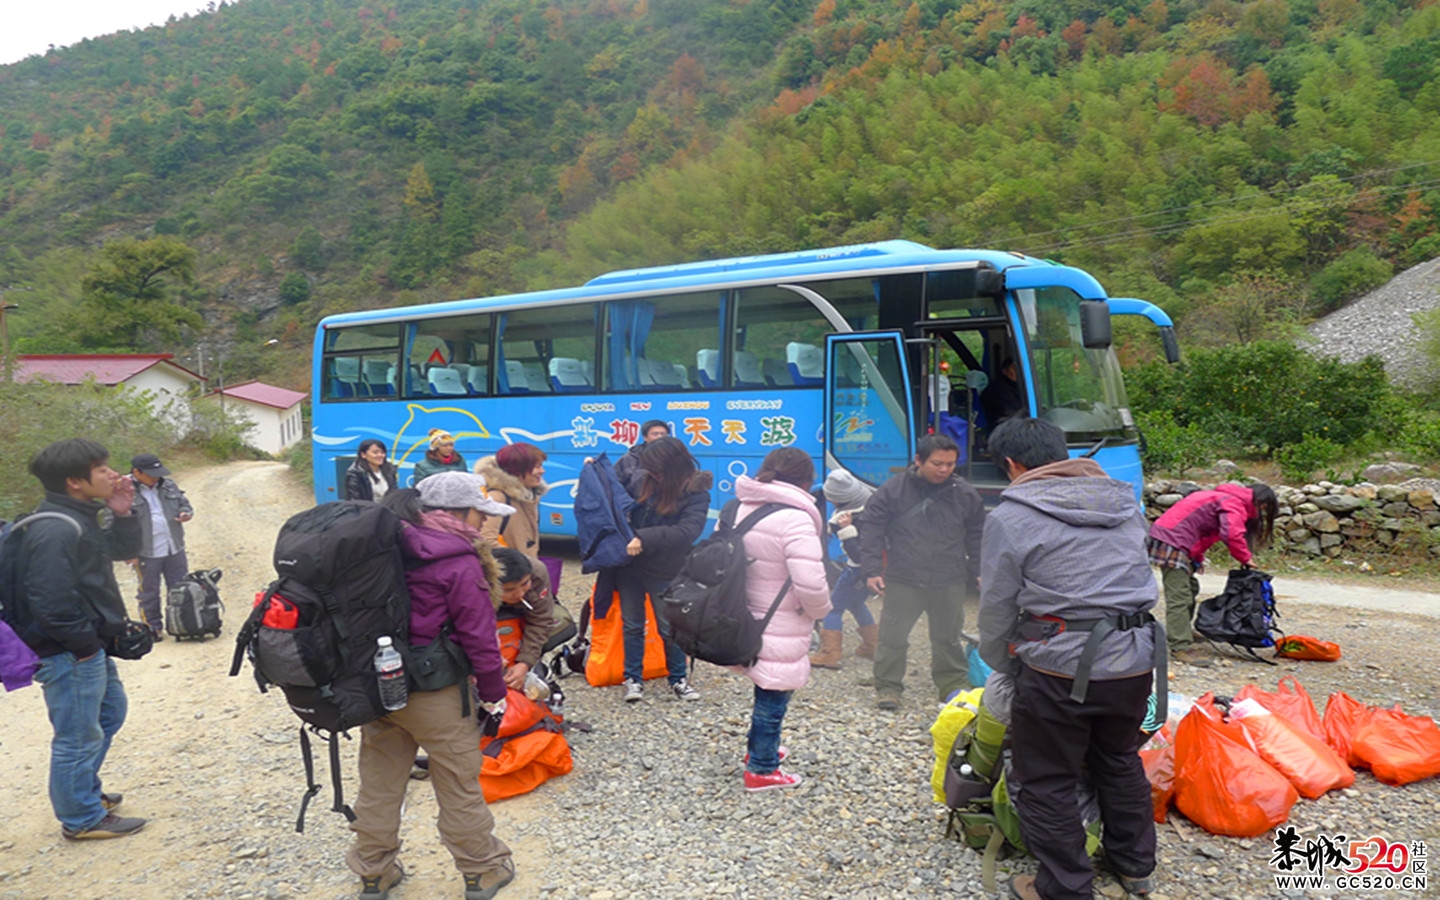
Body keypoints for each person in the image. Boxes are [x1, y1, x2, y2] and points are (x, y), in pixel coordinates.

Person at [977, 416, 1159, 900]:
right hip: (1138, 656)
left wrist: (998, 658)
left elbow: (997, 601)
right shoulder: (1124, 503)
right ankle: (1135, 866)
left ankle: (1063, 887)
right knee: (1118, 758)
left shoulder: (1011, 516)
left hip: (1059, 664)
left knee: (1047, 777)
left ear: (1012, 465)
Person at [347, 473, 517, 900]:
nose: (486, 522)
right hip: (436, 693)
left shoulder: (384, 547)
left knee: (380, 783)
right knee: (457, 781)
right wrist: (495, 693)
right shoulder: (458, 559)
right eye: (482, 512)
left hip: (380, 686)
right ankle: (482, 869)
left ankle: (374, 873)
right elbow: (479, 636)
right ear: (457, 512)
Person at [8, 438, 146, 840]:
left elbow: (120, 552)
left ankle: (82, 793)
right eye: (100, 469)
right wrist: (85, 648)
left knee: (109, 713)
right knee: (77, 734)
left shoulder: (76, 517)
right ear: (75, 481)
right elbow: (49, 600)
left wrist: (122, 514)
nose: (111, 473)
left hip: (84, 645)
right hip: (68, 651)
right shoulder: (54, 529)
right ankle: (81, 817)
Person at [857, 433, 985, 709]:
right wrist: (872, 570)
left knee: (948, 638)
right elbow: (871, 530)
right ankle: (888, 688)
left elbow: (977, 535)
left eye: (951, 464)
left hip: (949, 577)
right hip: (904, 577)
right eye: (937, 463)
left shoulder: (964, 493)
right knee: (893, 636)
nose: (944, 470)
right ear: (918, 460)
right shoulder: (893, 490)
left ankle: (952, 684)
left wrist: (979, 570)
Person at [732, 448, 832, 791]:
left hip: (742, 613)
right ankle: (761, 768)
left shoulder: (738, 507)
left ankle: (760, 748)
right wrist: (820, 612)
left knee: (766, 684)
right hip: (781, 617)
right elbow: (811, 583)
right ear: (806, 481)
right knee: (774, 692)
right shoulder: (796, 518)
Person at [614, 435, 710, 703]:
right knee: (632, 625)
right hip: (630, 568)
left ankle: (678, 678)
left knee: (669, 628)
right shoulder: (646, 481)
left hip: (666, 569)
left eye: (655, 469)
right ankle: (633, 678)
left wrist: (642, 537)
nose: (650, 474)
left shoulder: (696, 492)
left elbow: (687, 531)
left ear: (671, 467)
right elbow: (616, 493)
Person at [1147, 481, 1277, 667]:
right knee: (1179, 595)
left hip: (1174, 538)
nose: (1260, 514)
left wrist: (1197, 557)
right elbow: (1231, 534)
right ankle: (1180, 646)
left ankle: (1182, 631)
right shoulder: (1235, 503)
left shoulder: (1223, 497)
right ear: (1262, 503)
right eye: (1264, 509)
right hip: (1173, 540)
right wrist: (1245, 558)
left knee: (1190, 587)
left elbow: (1199, 528)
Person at [808, 468, 878, 668]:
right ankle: (873, 646)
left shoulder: (848, 520)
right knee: (857, 604)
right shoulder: (870, 508)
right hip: (871, 571)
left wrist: (845, 530)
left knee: (833, 609)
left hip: (856, 570)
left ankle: (830, 653)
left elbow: (858, 554)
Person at [127, 453, 193, 639]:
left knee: (179, 587)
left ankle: (181, 623)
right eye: (150, 473)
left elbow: (184, 504)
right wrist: (126, 550)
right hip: (145, 551)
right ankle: (152, 628)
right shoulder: (123, 490)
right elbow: (113, 520)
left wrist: (186, 513)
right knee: (149, 591)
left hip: (174, 546)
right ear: (136, 472)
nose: (155, 477)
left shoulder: (168, 485)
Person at [489, 546, 557, 692]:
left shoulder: (537, 572)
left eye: (525, 584)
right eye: (509, 590)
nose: (519, 593)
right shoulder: (472, 581)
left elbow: (541, 620)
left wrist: (525, 663)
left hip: (522, 622)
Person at [473, 443, 548, 555]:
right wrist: (521, 562)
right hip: (510, 570)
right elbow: (486, 540)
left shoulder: (529, 494)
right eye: (537, 466)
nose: (542, 471)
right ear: (517, 469)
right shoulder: (498, 498)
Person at [613, 419, 671, 488]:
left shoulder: (675, 456)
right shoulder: (631, 458)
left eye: (663, 434)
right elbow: (615, 484)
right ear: (645, 437)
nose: (660, 437)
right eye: (655, 434)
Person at [980, 357, 1025, 426]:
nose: (1019, 372)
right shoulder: (999, 389)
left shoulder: (1018, 386)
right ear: (1005, 371)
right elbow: (1013, 414)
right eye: (1015, 368)